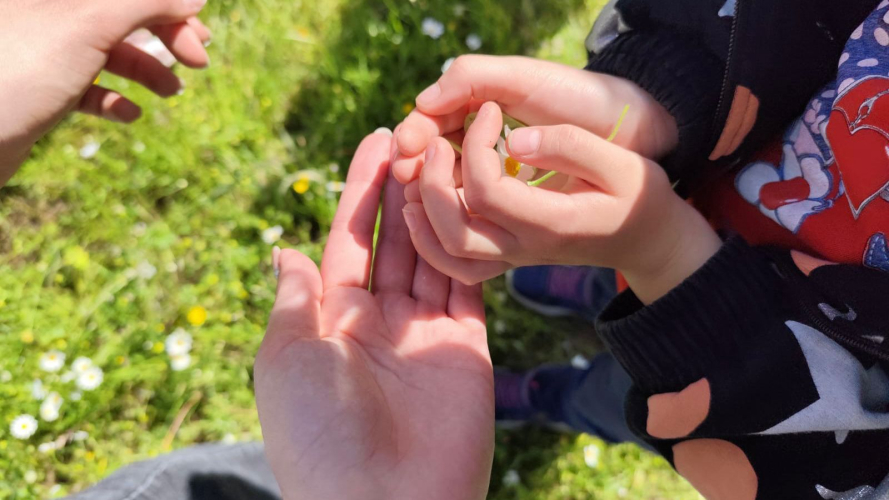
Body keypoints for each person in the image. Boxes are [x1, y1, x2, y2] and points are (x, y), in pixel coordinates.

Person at [393, 1, 889, 498]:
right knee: (608, 261)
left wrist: (664, 255)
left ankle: (557, 399)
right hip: (697, 188)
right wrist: (650, 100)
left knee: (617, 398)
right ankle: (594, 280)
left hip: (727, 372)